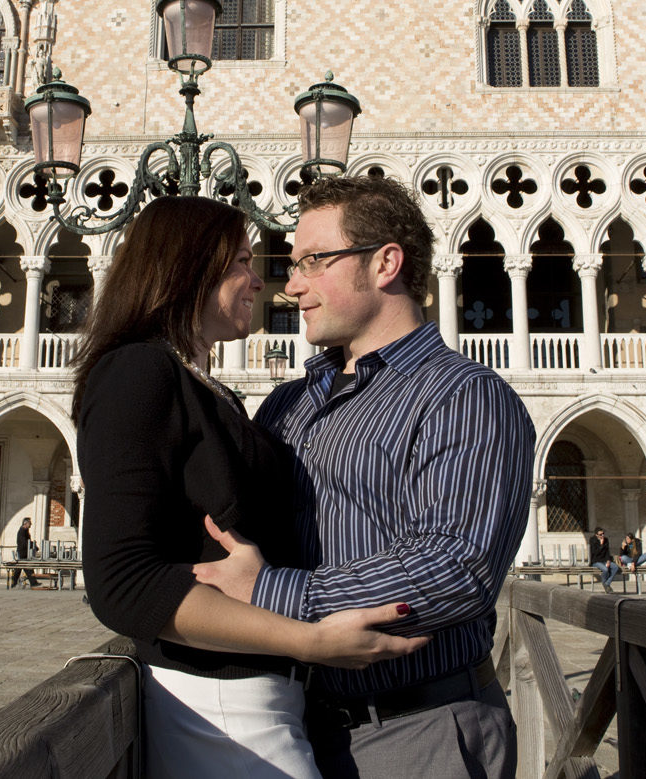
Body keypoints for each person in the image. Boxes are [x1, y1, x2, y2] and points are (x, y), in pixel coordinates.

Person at [194, 176, 535, 778]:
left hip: (419, 732)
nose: (291, 285)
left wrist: (269, 592)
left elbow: (456, 566)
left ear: (385, 264)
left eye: (313, 261)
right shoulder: (285, 407)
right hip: (290, 727)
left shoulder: (465, 397)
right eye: (291, 264)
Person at [78, 195, 430, 779]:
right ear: (189, 265)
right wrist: (307, 640)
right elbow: (121, 584)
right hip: (220, 708)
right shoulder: (137, 372)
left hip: (268, 696)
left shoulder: (206, 389)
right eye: (242, 260)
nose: (262, 283)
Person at [8, 516, 40, 589]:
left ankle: (16, 582)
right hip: (22, 552)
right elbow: (24, 542)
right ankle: (32, 582)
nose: (31, 524)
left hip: (25, 552)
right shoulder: (22, 531)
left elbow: (28, 541)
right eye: (30, 523)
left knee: (23, 567)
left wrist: (33, 545)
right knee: (24, 567)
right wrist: (32, 545)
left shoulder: (25, 531)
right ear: (26, 523)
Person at [588, 527, 620, 593]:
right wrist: (601, 545)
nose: (602, 536)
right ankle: (605, 584)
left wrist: (608, 560)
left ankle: (607, 583)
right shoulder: (592, 540)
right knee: (605, 569)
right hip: (596, 561)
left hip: (604, 560)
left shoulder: (606, 540)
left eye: (603, 534)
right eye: (600, 534)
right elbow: (595, 553)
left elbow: (607, 552)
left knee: (615, 567)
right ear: (596, 535)